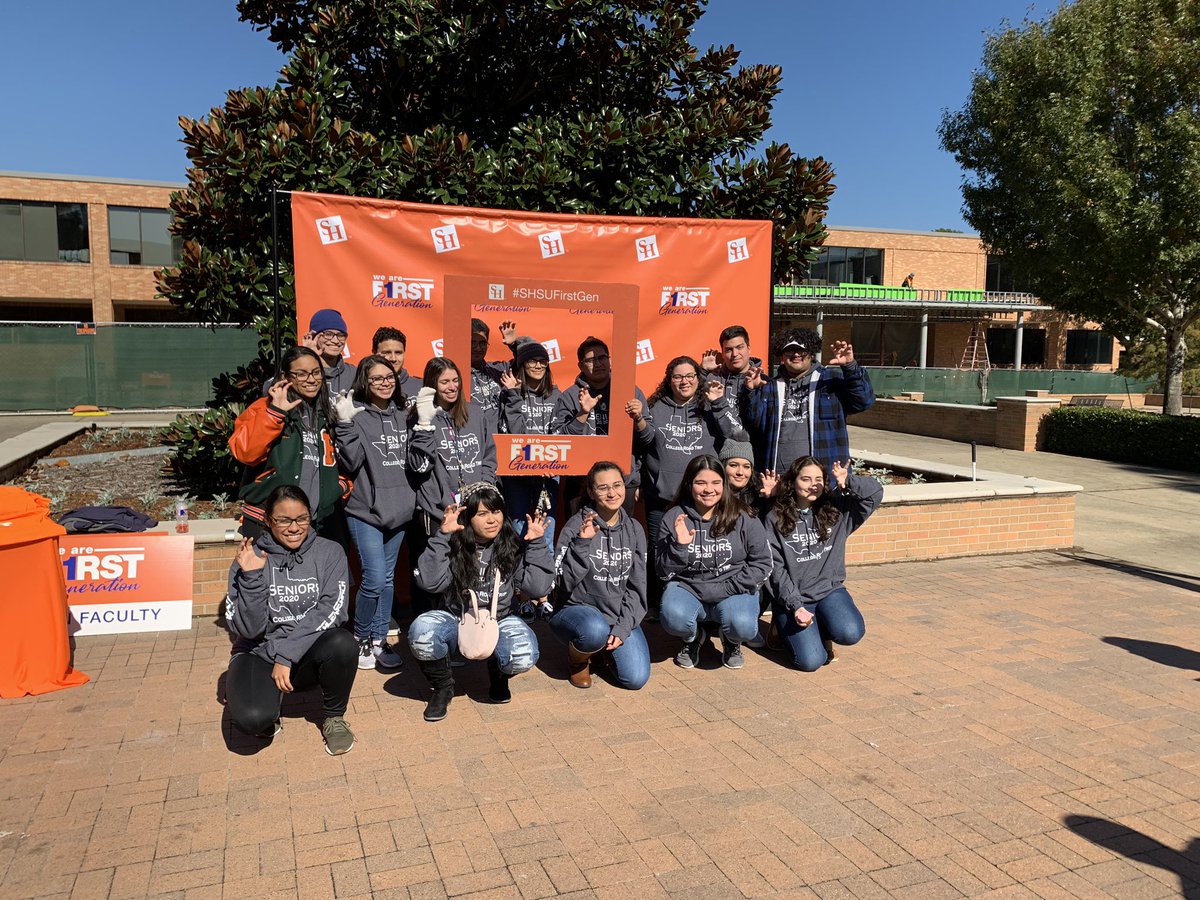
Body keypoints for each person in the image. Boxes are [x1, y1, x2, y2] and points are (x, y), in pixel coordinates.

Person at [223, 485, 358, 755]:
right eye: (284, 520)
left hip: (304, 653)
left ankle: (334, 717)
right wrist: (251, 578)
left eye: (302, 518)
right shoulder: (249, 559)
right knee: (252, 720)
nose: (294, 527)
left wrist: (287, 653)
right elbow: (249, 630)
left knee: (343, 643)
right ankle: (268, 704)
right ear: (268, 521)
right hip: (258, 652)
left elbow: (334, 610)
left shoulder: (330, 552)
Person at [408, 483, 554, 721]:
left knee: (524, 654)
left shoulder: (511, 545)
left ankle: (498, 674)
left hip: (501, 617)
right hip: (456, 617)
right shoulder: (453, 544)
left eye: (496, 511)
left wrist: (537, 544)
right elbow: (429, 582)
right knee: (421, 632)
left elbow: (537, 588)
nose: (492, 520)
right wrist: (443, 536)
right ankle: (443, 687)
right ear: (467, 516)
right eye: (482, 514)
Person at [334, 355, 427, 671]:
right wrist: (344, 424)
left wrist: (424, 422)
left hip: (399, 510)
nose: (385, 382)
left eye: (390, 377)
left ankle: (378, 641)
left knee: (386, 580)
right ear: (364, 382)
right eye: (377, 378)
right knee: (373, 578)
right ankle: (360, 638)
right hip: (365, 512)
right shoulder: (357, 415)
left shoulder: (405, 414)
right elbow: (351, 461)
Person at [634, 355, 733, 617]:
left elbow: (734, 434)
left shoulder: (708, 406)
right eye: (677, 376)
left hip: (700, 498)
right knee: (660, 550)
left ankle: (694, 604)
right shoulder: (656, 408)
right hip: (662, 497)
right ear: (669, 380)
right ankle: (658, 603)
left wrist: (718, 403)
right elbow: (643, 444)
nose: (684, 381)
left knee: (699, 548)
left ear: (698, 378)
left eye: (690, 375)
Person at [656, 455, 772, 671]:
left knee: (744, 626)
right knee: (673, 618)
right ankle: (692, 638)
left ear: (724, 484)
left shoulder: (743, 515)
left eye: (715, 482)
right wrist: (679, 547)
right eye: (701, 482)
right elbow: (662, 571)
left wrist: (727, 587)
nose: (708, 489)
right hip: (689, 587)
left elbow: (762, 564)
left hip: (732, 586)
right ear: (689, 484)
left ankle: (732, 640)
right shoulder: (675, 517)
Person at [766, 456, 882, 671]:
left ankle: (823, 627)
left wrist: (849, 482)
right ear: (793, 482)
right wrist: (795, 606)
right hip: (795, 599)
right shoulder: (775, 517)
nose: (813, 485)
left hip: (829, 591)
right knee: (811, 662)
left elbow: (875, 493)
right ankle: (780, 627)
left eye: (818, 479)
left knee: (850, 633)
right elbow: (775, 569)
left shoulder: (836, 510)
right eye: (806, 479)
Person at [407, 357, 498, 614]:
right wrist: (424, 425)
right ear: (432, 385)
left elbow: (489, 457)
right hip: (440, 511)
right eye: (444, 381)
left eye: (455, 380)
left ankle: (471, 623)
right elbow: (418, 466)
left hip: (474, 508)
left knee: (472, 569)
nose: (451, 386)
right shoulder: (421, 417)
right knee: (438, 573)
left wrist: (485, 490)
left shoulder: (475, 413)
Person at [229, 346, 349, 538]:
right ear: (285, 376)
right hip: (267, 521)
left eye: (316, 372)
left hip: (316, 523)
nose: (311, 379)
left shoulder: (327, 414)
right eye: (301, 374)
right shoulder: (264, 407)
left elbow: (346, 459)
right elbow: (245, 452)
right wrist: (274, 414)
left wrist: (339, 487)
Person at [551, 462, 650, 691]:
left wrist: (623, 627)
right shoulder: (576, 526)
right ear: (591, 492)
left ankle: (602, 652)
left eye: (617, 485)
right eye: (603, 487)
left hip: (617, 614)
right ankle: (579, 659)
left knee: (635, 679)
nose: (612, 493)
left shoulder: (635, 529)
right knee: (593, 630)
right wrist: (582, 544)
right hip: (578, 612)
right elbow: (562, 584)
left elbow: (637, 587)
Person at [741, 327, 875, 476]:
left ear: (811, 353)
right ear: (782, 356)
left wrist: (850, 367)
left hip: (823, 478)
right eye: (790, 350)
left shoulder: (830, 381)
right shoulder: (769, 386)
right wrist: (751, 392)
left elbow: (864, 401)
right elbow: (754, 423)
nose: (796, 354)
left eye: (801, 350)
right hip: (778, 480)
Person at [552, 336, 647, 511]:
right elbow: (559, 442)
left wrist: (639, 418)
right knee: (581, 535)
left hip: (622, 481)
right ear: (580, 366)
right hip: (582, 483)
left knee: (621, 536)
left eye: (602, 358)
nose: (598, 364)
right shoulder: (569, 396)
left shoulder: (629, 391)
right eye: (590, 360)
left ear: (610, 360)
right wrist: (583, 414)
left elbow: (648, 440)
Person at [499, 338, 562, 549]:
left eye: (542, 361)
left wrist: (546, 464)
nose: (538, 365)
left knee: (546, 532)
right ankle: (518, 580)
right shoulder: (509, 394)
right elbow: (515, 433)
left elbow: (560, 434)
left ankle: (544, 581)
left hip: (549, 473)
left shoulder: (557, 395)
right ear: (522, 365)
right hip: (517, 473)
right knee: (519, 530)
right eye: (532, 361)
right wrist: (514, 395)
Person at [699, 325, 762, 431]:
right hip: (715, 445)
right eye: (728, 350)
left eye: (739, 347)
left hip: (751, 444)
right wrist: (702, 372)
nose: (735, 354)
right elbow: (691, 400)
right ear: (722, 353)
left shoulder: (762, 380)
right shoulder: (712, 379)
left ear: (749, 349)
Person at [470, 318, 518, 435]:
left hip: (502, 442)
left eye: (482, 343)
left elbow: (527, 364)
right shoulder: (454, 376)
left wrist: (514, 345)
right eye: (472, 342)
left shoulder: (499, 369)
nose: (477, 348)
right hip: (474, 443)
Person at [302, 308, 356, 395]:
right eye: (328, 334)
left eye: (340, 335)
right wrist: (307, 356)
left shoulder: (353, 374)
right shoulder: (299, 369)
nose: (335, 341)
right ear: (314, 336)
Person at [370, 326, 419, 400]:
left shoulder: (421, 387)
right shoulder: (364, 387)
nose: (393, 358)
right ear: (374, 353)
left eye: (398, 353)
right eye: (387, 353)